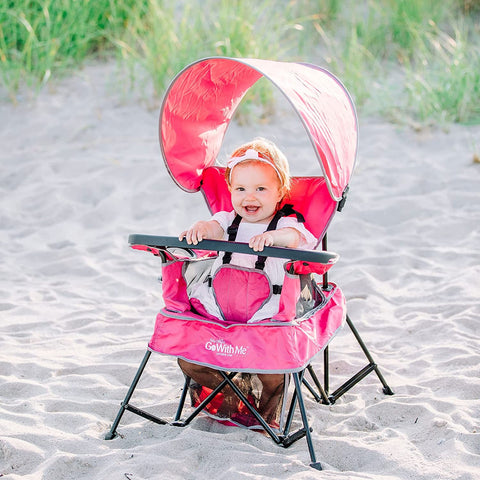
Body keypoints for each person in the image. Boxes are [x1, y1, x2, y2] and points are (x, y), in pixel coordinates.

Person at [177, 137, 317, 427]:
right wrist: (202, 227)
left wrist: (272, 239)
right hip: (220, 306)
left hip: (267, 309)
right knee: (190, 359)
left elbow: (295, 239)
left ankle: (264, 413)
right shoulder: (228, 219)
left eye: (260, 189)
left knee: (272, 369)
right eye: (240, 189)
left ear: (280, 192)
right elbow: (214, 227)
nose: (249, 197)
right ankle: (234, 393)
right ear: (230, 190)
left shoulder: (285, 223)